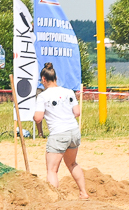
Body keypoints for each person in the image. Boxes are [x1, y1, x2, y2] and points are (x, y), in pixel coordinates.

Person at [33, 62, 89, 200]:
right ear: (55, 78)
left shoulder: (43, 96)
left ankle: (55, 199)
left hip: (58, 134)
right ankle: (83, 193)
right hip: (73, 131)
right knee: (72, 163)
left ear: (44, 80)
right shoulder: (69, 92)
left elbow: (38, 118)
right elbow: (77, 112)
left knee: (52, 170)